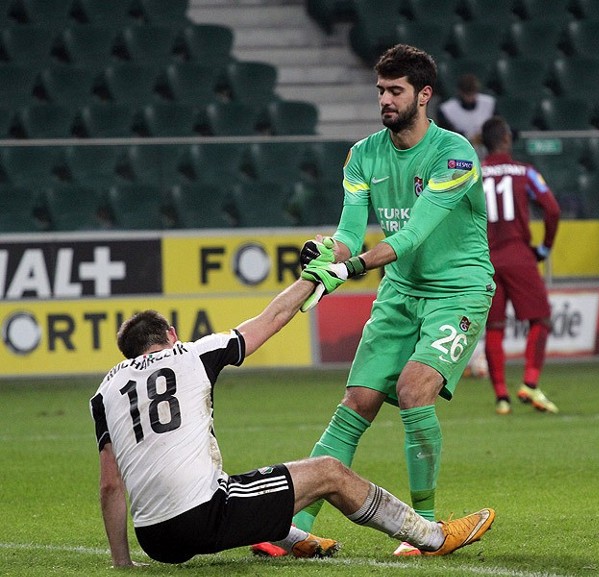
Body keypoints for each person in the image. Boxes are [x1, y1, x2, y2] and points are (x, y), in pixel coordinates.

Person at [252, 43, 496, 558]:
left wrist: (352, 266)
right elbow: (347, 232)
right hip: (401, 293)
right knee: (355, 404)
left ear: (423, 95)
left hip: (459, 290)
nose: (385, 99)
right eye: (381, 90)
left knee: (412, 390)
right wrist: (327, 253)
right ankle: (292, 528)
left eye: (396, 90)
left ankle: (424, 529)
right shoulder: (363, 154)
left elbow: (411, 236)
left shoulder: (455, 154)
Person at [90, 276, 496, 567]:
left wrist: (122, 563)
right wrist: (312, 278)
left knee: (227, 483)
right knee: (330, 472)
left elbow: (111, 484)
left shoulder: (105, 392)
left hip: (155, 539)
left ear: (128, 354)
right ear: (171, 334)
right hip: (203, 516)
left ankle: (291, 537)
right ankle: (433, 536)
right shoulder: (192, 355)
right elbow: (272, 318)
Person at [480, 116, 561, 415]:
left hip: (485, 259)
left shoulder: (474, 174)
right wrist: (545, 247)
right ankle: (530, 382)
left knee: (494, 326)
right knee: (541, 320)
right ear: (506, 139)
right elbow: (552, 209)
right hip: (518, 255)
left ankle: (501, 397)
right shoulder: (525, 172)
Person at [437, 73, 496, 151]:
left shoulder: (489, 103)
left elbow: (496, 126)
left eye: (473, 93)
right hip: (460, 149)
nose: (471, 98)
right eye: (467, 95)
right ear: (460, 92)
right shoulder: (447, 109)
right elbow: (446, 135)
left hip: (487, 147)